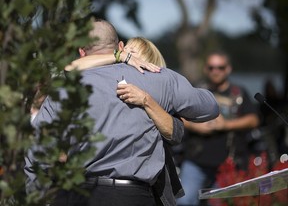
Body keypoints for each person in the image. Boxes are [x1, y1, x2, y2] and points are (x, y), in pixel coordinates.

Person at [25, 19, 219, 206]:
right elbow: (210, 108)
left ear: (82, 52)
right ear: (120, 46)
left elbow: (37, 151)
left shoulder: (65, 88)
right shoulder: (160, 78)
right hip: (135, 195)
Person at [177, 50, 260, 206]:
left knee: (219, 203)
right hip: (196, 160)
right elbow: (177, 116)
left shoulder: (239, 93)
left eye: (220, 67)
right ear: (205, 69)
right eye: (211, 67)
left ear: (228, 69)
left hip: (228, 162)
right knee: (184, 200)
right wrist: (196, 127)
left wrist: (226, 125)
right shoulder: (196, 90)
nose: (215, 71)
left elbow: (253, 120)